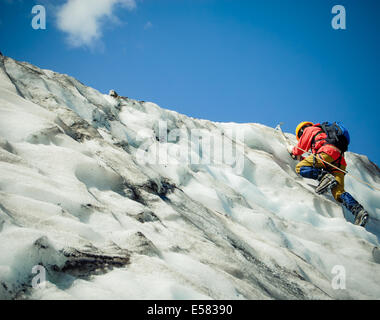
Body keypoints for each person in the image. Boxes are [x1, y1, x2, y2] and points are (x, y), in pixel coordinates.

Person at [287, 121, 369, 227]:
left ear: (301, 130)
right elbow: (316, 160)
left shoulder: (309, 130)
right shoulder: (325, 134)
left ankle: (325, 177)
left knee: (300, 167)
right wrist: (302, 158)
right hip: (339, 162)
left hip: (327, 153)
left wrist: (292, 151)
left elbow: (299, 149)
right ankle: (359, 212)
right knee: (338, 192)